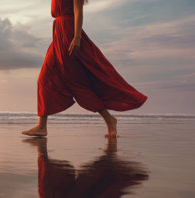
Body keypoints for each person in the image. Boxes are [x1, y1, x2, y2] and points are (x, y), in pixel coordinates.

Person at [22, 0, 147, 137]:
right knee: (44, 79)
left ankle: (109, 119)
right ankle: (41, 126)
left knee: (76, 83)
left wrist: (77, 37)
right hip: (58, 34)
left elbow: (78, 11)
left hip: (69, 35)